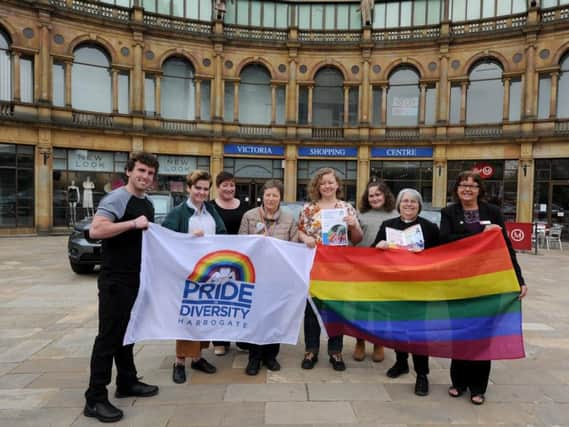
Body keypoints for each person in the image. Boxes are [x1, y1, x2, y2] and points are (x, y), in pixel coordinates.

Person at [84, 152, 160, 423]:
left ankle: (126, 381)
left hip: (135, 278)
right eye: (141, 171)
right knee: (108, 337)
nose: (145, 177)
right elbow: (96, 230)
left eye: (150, 173)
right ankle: (94, 398)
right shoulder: (117, 198)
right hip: (115, 279)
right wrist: (131, 224)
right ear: (129, 171)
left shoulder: (147, 204)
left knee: (128, 333)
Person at [441, 171, 528, 405]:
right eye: (463, 185)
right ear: (456, 189)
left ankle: (478, 387)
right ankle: (458, 382)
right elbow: (446, 240)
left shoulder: (493, 212)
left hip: (488, 282)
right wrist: (482, 233)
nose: (467, 189)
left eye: (473, 186)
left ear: (480, 190)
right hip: (458, 282)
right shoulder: (448, 212)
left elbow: (506, 247)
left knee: (482, 334)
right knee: (459, 333)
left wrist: (518, 279)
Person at [373, 188, 439, 397]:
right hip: (394, 287)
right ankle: (401, 363)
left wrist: (427, 254)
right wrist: (379, 246)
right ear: (398, 204)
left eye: (413, 202)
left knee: (419, 332)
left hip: (420, 287)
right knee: (397, 328)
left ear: (419, 205)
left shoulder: (429, 228)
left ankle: (422, 374)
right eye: (405, 201)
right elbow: (374, 251)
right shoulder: (388, 225)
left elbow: (442, 255)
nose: (409, 205)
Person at [162, 170, 227, 384]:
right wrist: (188, 238)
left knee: (203, 316)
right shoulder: (178, 213)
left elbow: (223, 234)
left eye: (205, 189)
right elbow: (165, 240)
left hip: (208, 276)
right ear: (189, 188)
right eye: (197, 188)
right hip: (186, 276)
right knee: (187, 319)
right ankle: (179, 362)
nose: (201, 192)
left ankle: (198, 358)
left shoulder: (211, 212)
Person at [298, 167, 363, 371]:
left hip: (338, 268)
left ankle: (335, 351)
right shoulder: (308, 209)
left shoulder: (347, 208)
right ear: (317, 186)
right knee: (312, 309)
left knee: (336, 309)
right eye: (322, 183)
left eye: (330, 182)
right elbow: (299, 232)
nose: (326, 186)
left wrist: (353, 225)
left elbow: (357, 239)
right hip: (314, 265)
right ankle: (311, 349)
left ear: (337, 185)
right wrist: (305, 237)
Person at [238, 180, 299, 375]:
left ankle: (271, 356)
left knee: (276, 316)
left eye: (275, 195)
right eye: (268, 195)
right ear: (262, 196)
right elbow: (241, 244)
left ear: (280, 197)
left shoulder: (289, 219)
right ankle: (254, 358)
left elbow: (294, 246)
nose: (271, 198)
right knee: (256, 318)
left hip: (279, 277)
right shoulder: (250, 216)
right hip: (255, 275)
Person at [353, 180, 398, 363]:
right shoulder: (359, 214)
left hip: (385, 270)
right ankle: (360, 341)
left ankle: (378, 343)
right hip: (362, 268)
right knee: (361, 307)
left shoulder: (395, 214)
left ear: (385, 195)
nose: (374, 198)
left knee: (381, 308)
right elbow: (353, 240)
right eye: (371, 195)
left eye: (378, 194)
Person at [211, 171, 249, 355]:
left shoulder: (245, 207)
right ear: (218, 187)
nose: (229, 188)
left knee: (239, 299)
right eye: (224, 185)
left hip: (241, 260)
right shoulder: (209, 207)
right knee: (219, 300)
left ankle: (241, 337)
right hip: (217, 260)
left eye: (232, 185)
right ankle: (220, 340)